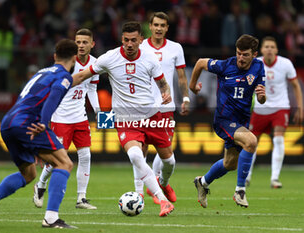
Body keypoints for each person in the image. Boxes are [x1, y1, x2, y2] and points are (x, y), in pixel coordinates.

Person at [72, 21, 175, 217]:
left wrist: (166, 93)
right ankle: (163, 200)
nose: (129, 44)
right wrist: (61, 83)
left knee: (169, 161)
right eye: (126, 40)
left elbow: (163, 83)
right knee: (136, 156)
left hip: (152, 117)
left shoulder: (150, 58)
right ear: (122, 39)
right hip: (125, 119)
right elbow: (84, 74)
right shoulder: (109, 58)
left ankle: (165, 183)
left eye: (133, 40)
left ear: (141, 40)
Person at [0, 39, 79, 229]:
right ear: (75, 58)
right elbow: (56, 94)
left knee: (29, 173)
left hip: (8, 122)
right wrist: (43, 122)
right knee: (64, 163)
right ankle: (51, 218)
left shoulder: (42, 72)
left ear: (55, 56)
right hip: (28, 123)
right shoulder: (63, 76)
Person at [189, 34, 266, 208]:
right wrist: (192, 86)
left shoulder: (259, 67)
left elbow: (261, 98)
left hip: (242, 121)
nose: (240, 58)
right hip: (224, 119)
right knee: (251, 141)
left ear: (254, 54)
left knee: (230, 164)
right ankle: (240, 190)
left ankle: (203, 182)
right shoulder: (225, 65)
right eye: (238, 53)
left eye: (245, 54)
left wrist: (262, 96)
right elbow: (201, 62)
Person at [33, 29, 100, 210]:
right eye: (78, 42)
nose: (80, 46)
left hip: (80, 117)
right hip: (61, 118)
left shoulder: (95, 64)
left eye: (85, 42)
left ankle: (81, 198)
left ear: (92, 44)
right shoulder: (67, 63)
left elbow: (92, 90)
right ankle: (40, 185)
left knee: (85, 155)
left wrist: (99, 111)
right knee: (57, 160)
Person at [134, 12, 190, 204]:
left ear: (167, 28)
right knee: (140, 149)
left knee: (164, 149)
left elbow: (181, 76)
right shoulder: (140, 47)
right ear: (150, 26)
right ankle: (139, 192)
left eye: (162, 25)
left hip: (166, 106)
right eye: (155, 25)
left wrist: (185, 97)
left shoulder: (175, 48)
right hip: (142, 105)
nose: (158, 28)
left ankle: (158, 182)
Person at [246, 36, 304, 188]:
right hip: (260, 108)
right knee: (251, 143)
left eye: (272, 47)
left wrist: (300, 107)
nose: (270, 50)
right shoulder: (255, 63)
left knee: (278, 139)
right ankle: (247, 176)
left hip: (280, 107)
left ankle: (275, 178)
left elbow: (296, 86)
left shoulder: (285, 64)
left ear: (277, 50)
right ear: (262, 50)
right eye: (267, 47)